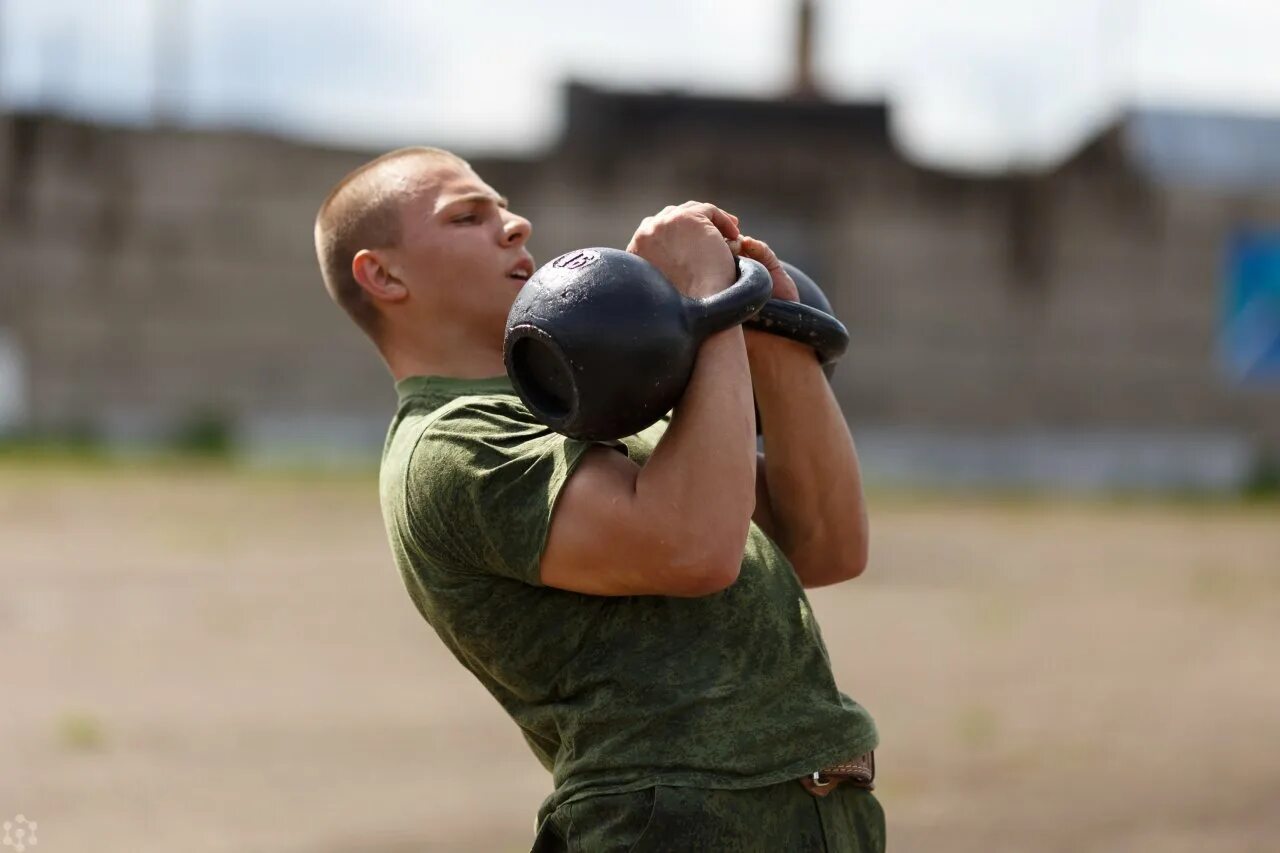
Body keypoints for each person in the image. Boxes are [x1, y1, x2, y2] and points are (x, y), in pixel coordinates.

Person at [313, 146, 884, 852]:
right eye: (467, 216)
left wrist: (768, 327)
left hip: (820, 817)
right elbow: (694, 548)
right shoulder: (447, 447)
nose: (515, 226)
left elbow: (825, 541)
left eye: (505, 207)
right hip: (670, 827)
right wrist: (710, 300)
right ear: (382, 273)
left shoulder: (600, 410)